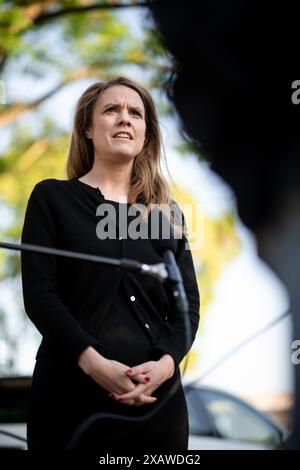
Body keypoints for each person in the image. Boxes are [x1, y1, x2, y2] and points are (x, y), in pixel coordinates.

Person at [21, 76, 200, 451]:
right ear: (88, 127)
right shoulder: (52, 198)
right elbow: (40, 295)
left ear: (145, 134)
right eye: (112, 110)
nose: (125, 119)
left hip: (157, 411)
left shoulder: (165, 215)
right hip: (69, 405)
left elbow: (187, 308)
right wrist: (94, 365)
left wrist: (165, 367)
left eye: (135, 113)